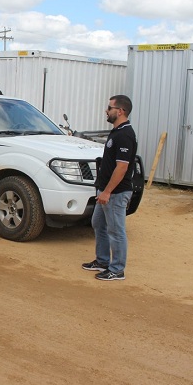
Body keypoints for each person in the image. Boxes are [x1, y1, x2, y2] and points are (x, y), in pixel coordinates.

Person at [82, 95, 138, 281]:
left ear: (120, 111)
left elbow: (122, 168)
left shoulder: (125, 135)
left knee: (116, 230)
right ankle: (103, 261)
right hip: (105, 190)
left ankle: (117, 269)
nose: (106, 110)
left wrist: (107, 192)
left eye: (110, 107)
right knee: (98, 223)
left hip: (115, 192)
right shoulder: (116, 131)